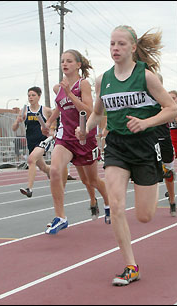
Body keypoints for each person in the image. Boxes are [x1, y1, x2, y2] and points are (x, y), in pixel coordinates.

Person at [75, 25, 177, 286]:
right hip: (117, 146)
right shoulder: (104, 80)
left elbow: (172, 110)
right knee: (118, 205)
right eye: (112, 44)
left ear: (133, 48)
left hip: (144, 146)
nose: (115, 48)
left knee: (144, 216)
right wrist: (85, 128)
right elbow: (98, 113)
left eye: (121, 44)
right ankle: (131, 266)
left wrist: (146, 123)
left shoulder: (147, 77)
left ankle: (159, 174)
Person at [42, 49, 111, 235]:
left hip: (84, 137)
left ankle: (108, 202)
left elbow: (90, 111)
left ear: (78, 65)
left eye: (69, 61)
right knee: (55, 170)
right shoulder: (58, 87)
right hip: (65, 137)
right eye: (63, 61)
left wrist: (70, 94)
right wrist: (49, 122)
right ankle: (61, 217)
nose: (65, 64)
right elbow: (59, 107)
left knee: (91, 180)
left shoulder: (84, 84)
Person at [12, 86, 53, 197]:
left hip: (43, 140)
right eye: (29, 95)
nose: (31, 97)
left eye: (33, 95)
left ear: (39, 97)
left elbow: (56, 118)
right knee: (43, 168)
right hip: (31, 142)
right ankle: (55, 175)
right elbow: (14, 128)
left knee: (31, 160)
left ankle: (29, 189)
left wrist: (52, 131)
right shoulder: (24, 110)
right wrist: (18, 121)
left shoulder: (46, 110)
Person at [155, 73, 177, 217]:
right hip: (149, 139)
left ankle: (172, 200)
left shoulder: (164, 99)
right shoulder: (143, 99)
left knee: (168, 173)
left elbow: (173, 113)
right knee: (150, 170)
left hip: (164, 138)